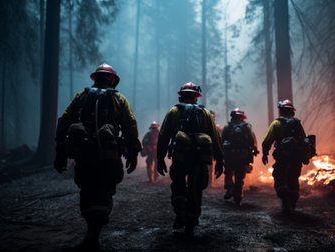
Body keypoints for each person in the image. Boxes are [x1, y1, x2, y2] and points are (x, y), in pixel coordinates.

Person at [54, 63, 141, 250]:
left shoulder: (81, 96)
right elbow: (130, 125)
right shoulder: (119, 99)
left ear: (95, 78)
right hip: (108, 155)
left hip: (84, 154)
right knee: (104, 190)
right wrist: (133, 151)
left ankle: (90, 231)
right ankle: (95, 233)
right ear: (113, 80)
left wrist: (60, 151)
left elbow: (64, 121)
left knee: (86, 189)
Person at [157, 82, 224, 236]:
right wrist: (220, 159)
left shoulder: (174, 111)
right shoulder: (205, 113)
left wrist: (160, 157)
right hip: (199, 159)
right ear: (196, 96)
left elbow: (163, 135)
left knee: (178, 184)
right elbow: (215, 137)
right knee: (195, 190)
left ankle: (180, 212)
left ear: (181, 94)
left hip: (180, 156)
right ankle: (190, 225)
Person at [262, 99, 307, 214]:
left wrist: (265, 153)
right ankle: (292, 202)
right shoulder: (297, 124)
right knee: (293, 179)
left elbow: (267, 141)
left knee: (280, 178)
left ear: (281, 111)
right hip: (296, 158)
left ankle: (286, 202)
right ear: (292, 111)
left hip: (282, 157)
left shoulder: (276, 124)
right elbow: (304, 140)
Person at [221, 108, 258, 206]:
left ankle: (229, 188)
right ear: (242, 117)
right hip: (243, 156)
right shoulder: (247, 128)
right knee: (239, 177)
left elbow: (221, 140)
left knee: (228, 172)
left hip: (230, 156)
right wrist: (253, 151)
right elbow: (253, 142)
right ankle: (238, 198)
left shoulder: (227, 127)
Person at [208, 110, 222, 187]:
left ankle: (209, 183)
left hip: (212, 150)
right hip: (205, 150)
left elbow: (221, 139)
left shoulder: (217, 128)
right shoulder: (201, 126)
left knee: (210, 168)